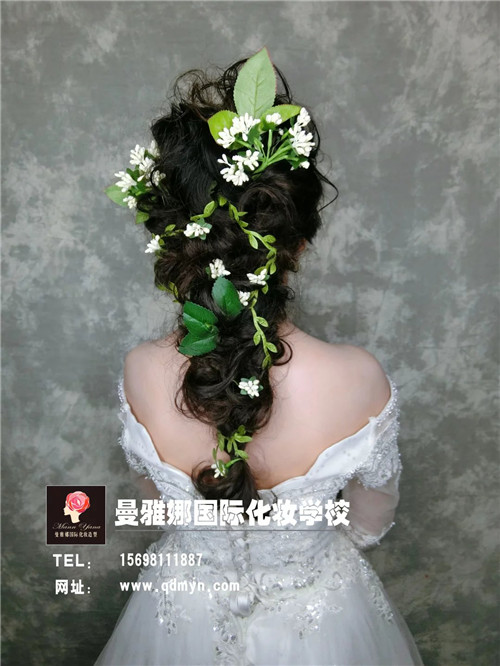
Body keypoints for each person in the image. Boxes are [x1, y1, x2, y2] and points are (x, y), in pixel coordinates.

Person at [96, 48, 423, 666]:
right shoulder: (358, 378)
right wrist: (299, 555)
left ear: (178, 244)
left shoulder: (139, 370)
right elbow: (369, 523)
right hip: (321, 624)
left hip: (180, 615)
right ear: (298, 245)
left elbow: (156, 506)